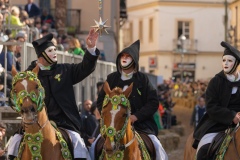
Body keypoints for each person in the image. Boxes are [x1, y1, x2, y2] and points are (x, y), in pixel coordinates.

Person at [7, 28, 100, 160]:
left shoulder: (65, 70)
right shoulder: (29, 76)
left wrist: (91, 49)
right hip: (34, 122)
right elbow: (17, 95)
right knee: (14, 142)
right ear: (41, 55)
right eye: (50, 51)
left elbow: (86, 68)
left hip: (64, 122)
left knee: (79, 144)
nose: (55, 53)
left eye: (55, 50)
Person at [90, 40, 168, 160]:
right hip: (113, 126)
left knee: (157, 148)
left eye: (128, 56)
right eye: (123, 56)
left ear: (134, 60)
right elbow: (101, 101)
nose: (124, 58)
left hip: (141, 126)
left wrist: (136, 116)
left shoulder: (143, 79)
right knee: (93, 147)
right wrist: (108, 117)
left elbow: (153, 102)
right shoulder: (111, 78)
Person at [193, 41, 240, 160]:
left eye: (229, 60)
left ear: (236, 64)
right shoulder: (216, 82)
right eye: (224, 60)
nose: (226, 63)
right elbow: (211, 106)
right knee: (203, 151)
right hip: (217, 125)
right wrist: (231, 116)